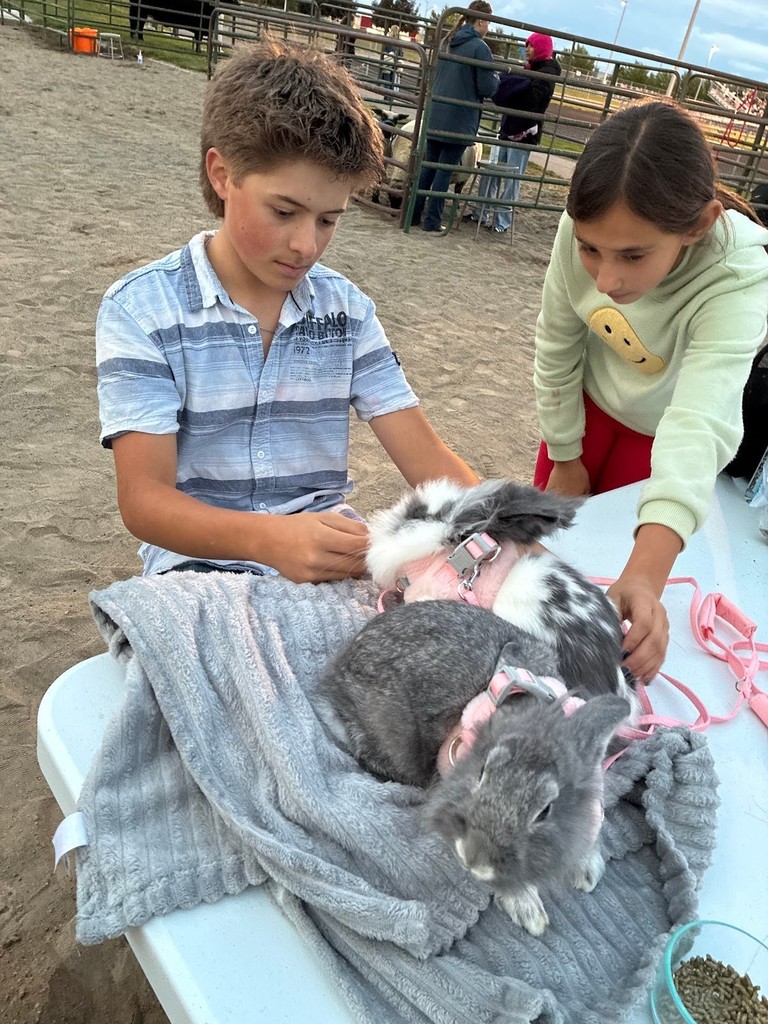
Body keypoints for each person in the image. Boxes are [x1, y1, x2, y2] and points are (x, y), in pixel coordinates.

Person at [95, 40, 478, 584]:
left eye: (328, 220)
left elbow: (426, 455)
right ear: (222, 174)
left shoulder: (347, 311)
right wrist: (270, 540)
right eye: (284, 211)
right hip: (195, 568)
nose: (306, 245)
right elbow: (144, 501)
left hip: (327, 559)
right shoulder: (141, 309)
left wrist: (504, 530)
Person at [532, 99, 768, 683]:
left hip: (662, 436)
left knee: (622, 563)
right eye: (591, 249)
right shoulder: (581, 225)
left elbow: (700, 421)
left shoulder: (739, 277)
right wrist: (564, 453)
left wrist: (646, 576)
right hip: (580, 413)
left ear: (701, 224)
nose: (607, 281)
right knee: (546, 557)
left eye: (634, 256)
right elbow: (558, 342)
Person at [410, 0, 498, 234]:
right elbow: (487, 87)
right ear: (481, 20)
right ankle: (431, 221)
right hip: (459, 119)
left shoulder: (447, 41)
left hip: (437, 113)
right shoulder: (479, 48)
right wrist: (497, 78)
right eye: (488, 22)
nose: (488, 27)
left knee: (429, 166)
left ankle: (413, 214)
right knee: (445, 169)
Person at [473, 32, 561, 234]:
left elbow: (532, 99)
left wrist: (512, 90)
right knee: (494, 170)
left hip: (524, 132)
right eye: (527, 45)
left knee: (512, 177)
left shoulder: (545, 74)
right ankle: (481, 212)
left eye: (531, 46)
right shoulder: (529, 70)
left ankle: (501, 221)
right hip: (509, 127)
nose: (527, 49)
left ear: (540, 49)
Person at [381, 24, 403, 91]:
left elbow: (383, 51)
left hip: (388, 62)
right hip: (395, 63)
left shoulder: (388, 40)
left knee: (387, 82)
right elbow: (401, 54)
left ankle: (386, 97)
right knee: (393, 82)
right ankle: (390, 98)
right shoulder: (399, 42)